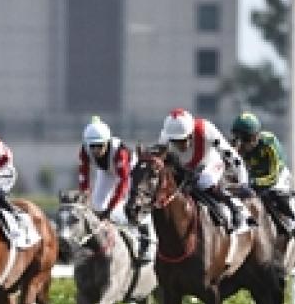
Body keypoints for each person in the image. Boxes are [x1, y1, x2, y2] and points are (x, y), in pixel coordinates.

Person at [158, 108, 251, 232]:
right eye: (175, 141)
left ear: (191, 134)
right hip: (185, 169)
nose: (179, 145)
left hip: (210, 164)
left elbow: (232, 155)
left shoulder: (206, 130)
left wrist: (243, 181)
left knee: (204, 181)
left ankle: (236, 208)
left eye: (183, 140)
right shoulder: (165, 137)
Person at [77, 116, 151, 263]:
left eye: (99, 146)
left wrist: (110, 209)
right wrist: (85, 195)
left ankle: (145, 239)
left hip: (129, 173)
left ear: (107, 142)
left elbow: (123, 182)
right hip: (106, 172)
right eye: (92, 146)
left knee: (129, 207)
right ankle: (100, 242)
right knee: (97, 206)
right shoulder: (84, 151)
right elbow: (83, 176)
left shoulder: (120, 152)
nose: (96, 150)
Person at [229, 112, 295, 241]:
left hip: (277, 175)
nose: (242, 144)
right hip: (252, 177)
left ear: (256, 136)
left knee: (274, 194)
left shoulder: (268, 143)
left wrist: (252, 182)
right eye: (238, 138)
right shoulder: (234, 147)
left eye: (246, 139)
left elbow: (273, 176)